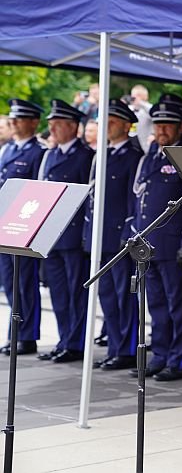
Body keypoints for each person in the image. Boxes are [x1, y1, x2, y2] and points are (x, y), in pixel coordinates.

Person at [129, 98, 182, 381]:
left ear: (181, 126)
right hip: (149, 244)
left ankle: (177, 360)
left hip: (172, 244)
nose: (162, 129)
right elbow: (139, 198)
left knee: (177, 305)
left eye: (168, 124)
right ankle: (161, 354)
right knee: (156, 305)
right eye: (158, 124)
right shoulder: (151, 156)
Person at [85, 99, 143, 370]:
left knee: (124, 296)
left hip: (121, 237)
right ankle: (115, 347)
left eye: (110, 122)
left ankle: (127, 350)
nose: (104, 127)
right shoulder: (102, 154)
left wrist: (129, 233)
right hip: (101, 237)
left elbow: (134, 199)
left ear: (124, 124)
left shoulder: (133, 156)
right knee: (107, 296)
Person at [37, 100, 94, 363]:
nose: (53, 129)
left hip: (73, 235)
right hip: (53, 235)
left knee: (75, 293)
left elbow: (89, 198)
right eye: (50, 125)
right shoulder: (51, 155)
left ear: (73, 127)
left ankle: (75, 342)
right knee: (58, 294)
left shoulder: (85, 156)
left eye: (58, 124)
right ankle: (63, 340)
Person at [0, 99, 47, 356]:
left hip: (25, 226)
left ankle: (26, 336)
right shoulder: (7, 150)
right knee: (10, 283)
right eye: (13, 119)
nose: (13, 123)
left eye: (19, 119)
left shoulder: (37, 152)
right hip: (6, 225)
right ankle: (15, 332)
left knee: (25, 282)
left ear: (32, 122)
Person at [129, 85, 153, 151]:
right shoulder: (130, 109)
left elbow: (152, 111)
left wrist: (141, 103)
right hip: (131, 143)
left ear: (145, 97)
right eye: (133, 96)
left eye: (138, 95)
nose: (134, 98)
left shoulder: (147, 109)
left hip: (144, 145)